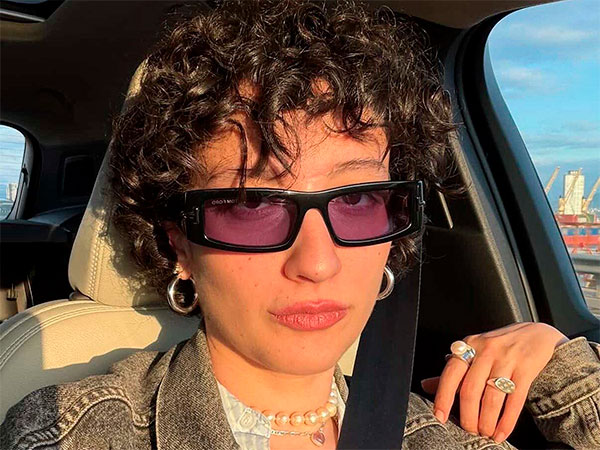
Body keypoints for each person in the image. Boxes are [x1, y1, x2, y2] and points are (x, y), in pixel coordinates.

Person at [2, 1, 599, 449]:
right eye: (250, 207)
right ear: (178, 243)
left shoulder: (442, 436)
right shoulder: (77, 431)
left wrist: (563, 370)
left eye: (358, 200)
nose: (317, 262)